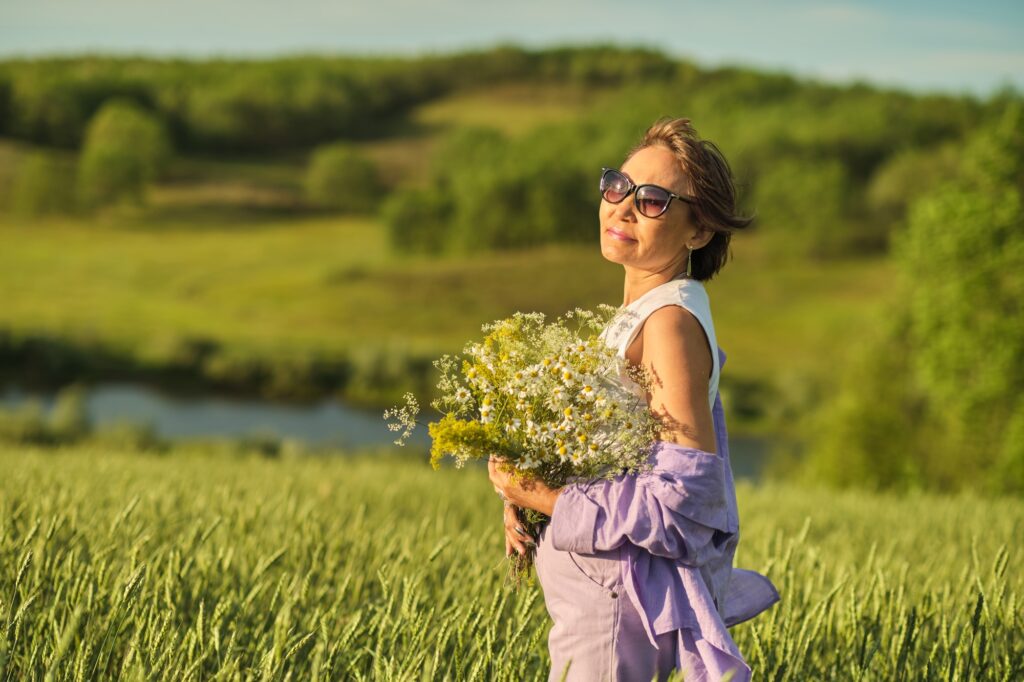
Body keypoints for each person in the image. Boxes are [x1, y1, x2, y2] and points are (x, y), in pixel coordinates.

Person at [488, 117, 780, 681]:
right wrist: (521, 494)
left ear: (698, 232)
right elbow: (622, 463)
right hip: (598, 606)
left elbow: (684, 504)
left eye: (653, 200)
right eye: (618, 186)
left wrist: (547, 498)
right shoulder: (643, 315)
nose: (622, 207)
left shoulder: (669, 324)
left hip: (614, 614)